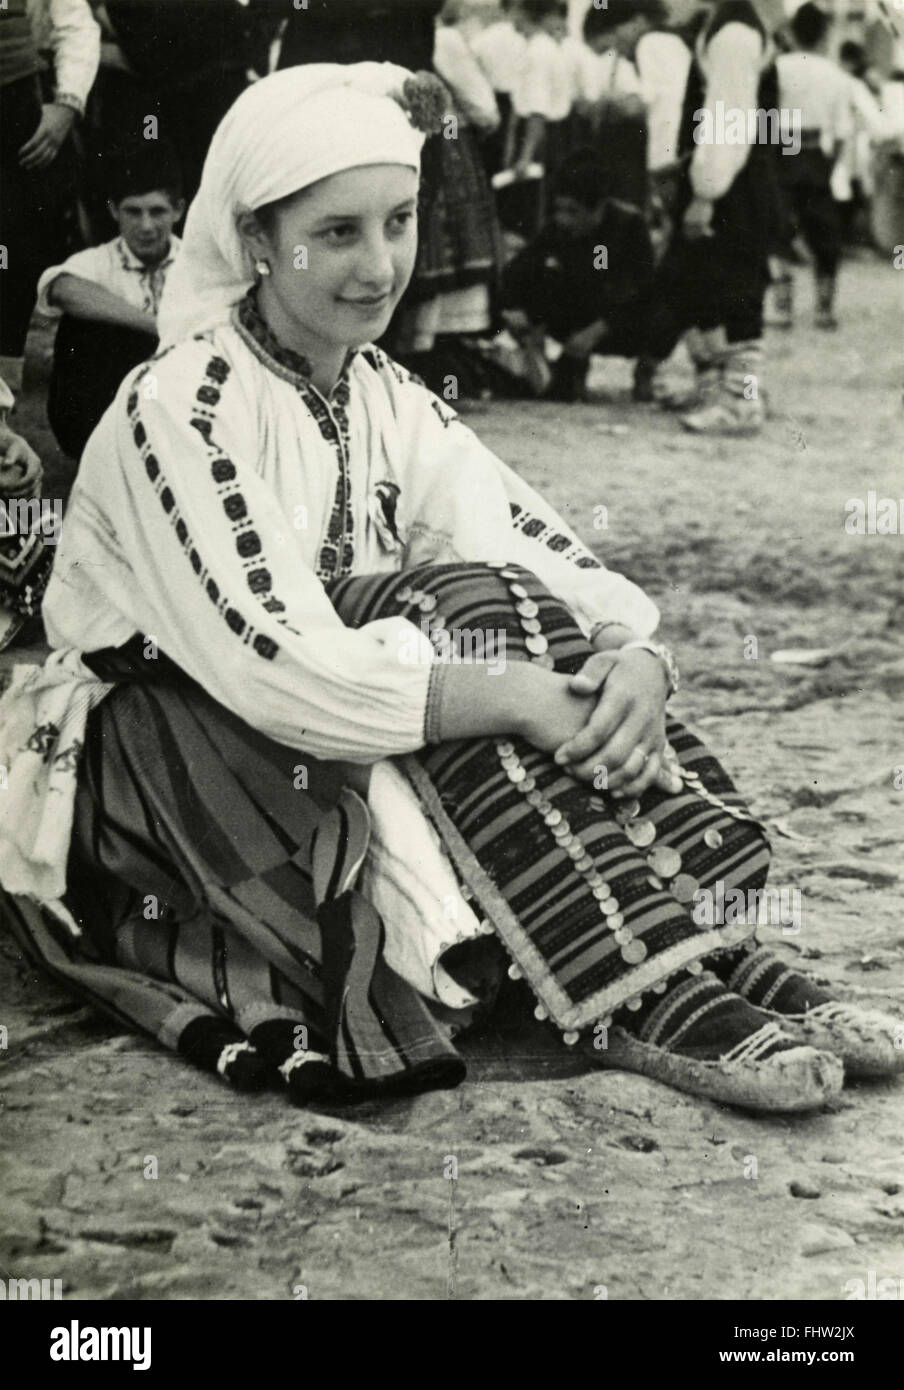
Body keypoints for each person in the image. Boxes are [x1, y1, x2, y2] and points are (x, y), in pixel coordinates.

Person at [1, 62, 901, 1115]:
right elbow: (283, 671)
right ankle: (625, 982)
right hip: (180, 745)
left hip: (336, 710)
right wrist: (516, 689)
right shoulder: (180, 408)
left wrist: (630, 657)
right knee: (452, 621)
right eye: (336, 233)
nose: (380, 265)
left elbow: (529, 542)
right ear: (254, 241)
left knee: (497, 609)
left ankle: (700, 941)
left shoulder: (380, 392)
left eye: (398, 220)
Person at [584, 0, 781, 435]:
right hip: (722, 177)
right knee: (702, 283)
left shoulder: (733, 36)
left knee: (735, 287)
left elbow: (729, 118)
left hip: (732, 183)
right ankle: (716, 388)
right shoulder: (719, 29)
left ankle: (741, 401)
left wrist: (707, 192)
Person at [38, 144, 184, 459]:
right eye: (133, 211)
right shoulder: (99, 261)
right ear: (114, 211)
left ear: (178, 211)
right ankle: (104, 454)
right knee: (84, 327)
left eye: (157, 211)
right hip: (113, 403)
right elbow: (60, 288)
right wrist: (155, 326)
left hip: (183, 393)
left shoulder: (197, 264)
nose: (146, 226)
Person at [0, 0, 100, 398]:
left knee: (14, 243)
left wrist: (68, 103)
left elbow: (75, 25)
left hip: (13, 102)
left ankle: (4, 397)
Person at [500, 148, 657, 400]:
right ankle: (568, 371)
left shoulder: (630, 226)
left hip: (621, 320)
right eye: (559, 210)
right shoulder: (557, 227)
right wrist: (516, 309)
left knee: (661, 311)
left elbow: (641, 289)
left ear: (599, 208)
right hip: (578, 314)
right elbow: (519, 270)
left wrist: (596, 331)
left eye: (573, 211)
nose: (563, 219)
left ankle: (646, 369)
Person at [774, 3, 853, 329]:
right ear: (824, 34)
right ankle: (824, 307)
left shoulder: (777, 67)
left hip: (780, 149)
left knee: (779, 230)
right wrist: (829, 166)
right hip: (816, 153)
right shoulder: (835, 74)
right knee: (824, 233)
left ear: (792, 33)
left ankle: (783, 307)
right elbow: (843, 131)